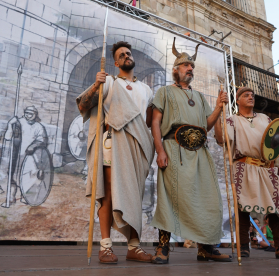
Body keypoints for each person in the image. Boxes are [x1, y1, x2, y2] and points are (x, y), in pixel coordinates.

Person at [150, 38, 231, 264]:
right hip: (173, 149)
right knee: (169, 198)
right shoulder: (164, 92)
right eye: (186, 65)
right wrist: (160, 151)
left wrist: (218, 107)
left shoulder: (199, 96)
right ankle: (163, 248)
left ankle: (206, 248)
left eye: (192, 66)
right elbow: (155, 123)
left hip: (199, 153)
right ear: (176, 70)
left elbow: (206, 125)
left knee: (207, 199)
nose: (190, 68)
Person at [76, 41, 155, 264]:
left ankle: (134, 247)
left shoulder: (147, 90)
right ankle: (106, 247)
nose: (127, 56)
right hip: (115, 141)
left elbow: (149, 123)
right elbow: (83, 106)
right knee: (109, 193)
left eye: (128, 53)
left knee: (135, 195)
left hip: (138, 147)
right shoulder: (109, 82)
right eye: (122, 55)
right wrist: (95, 86)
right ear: (116, 62)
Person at [215, 87, 279, 259]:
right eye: (246, 95)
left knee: (276, 209)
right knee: (243, 208)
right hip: (244, 166)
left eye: (252, 95)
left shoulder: (265, 119)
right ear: (238, 100)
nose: (251, 97)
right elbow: (221, 140)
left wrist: (276, 165)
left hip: (267, 168)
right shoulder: (232, 120)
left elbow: (274, 143)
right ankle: (244, 247)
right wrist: (217, 117)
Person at [1, 105, 48, 207]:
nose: (28, 115)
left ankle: (25, 196)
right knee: (12, 176)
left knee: (27, 177)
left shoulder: (39, 127)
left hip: (30, 157)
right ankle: (11, 198)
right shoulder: (18, 122)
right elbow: (8, 137)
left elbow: (43, 141)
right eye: (27, 113)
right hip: (16, 155)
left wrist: (33, 146)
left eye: (31, 114)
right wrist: (10, 124)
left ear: (35, 115)